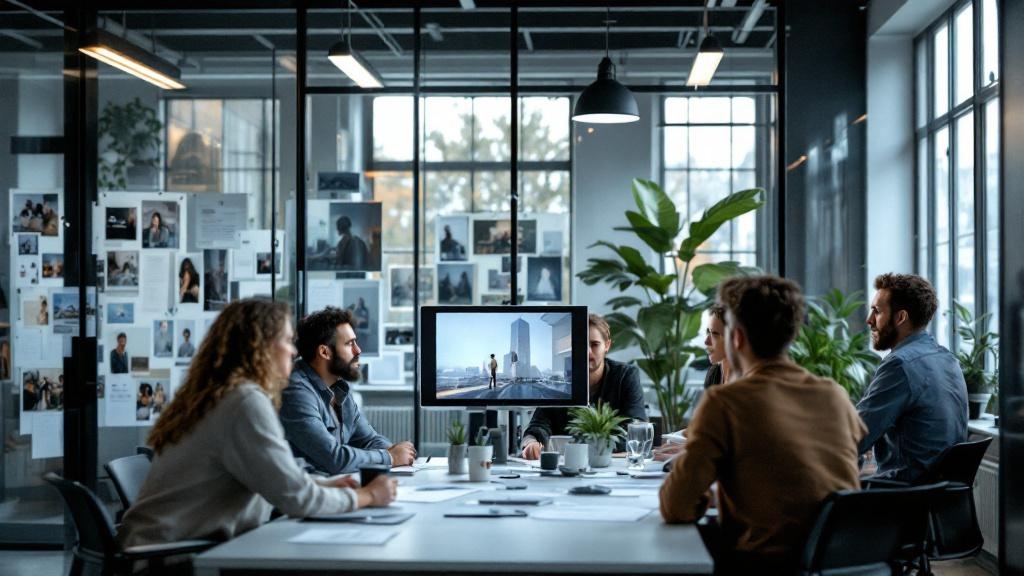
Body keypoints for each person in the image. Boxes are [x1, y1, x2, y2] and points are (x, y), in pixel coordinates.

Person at [119, 298, 397, 548]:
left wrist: (323, 485)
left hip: (165, 546)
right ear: (260, 348)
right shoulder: (243, 402)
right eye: (287, 341)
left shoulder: (222, 395)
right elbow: (296, 498)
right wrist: (369, 496)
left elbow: (273, 476)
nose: (293, 352)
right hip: (170, 558)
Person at [659, 275, 864, 573]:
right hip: (842, 563)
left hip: (765, 565)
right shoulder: (835, 395)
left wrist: (708, 491)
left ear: (737, 338)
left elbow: (676, 507)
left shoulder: (725, 402)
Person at [857, 273, 968, 482]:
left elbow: (856, 435)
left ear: (900, 318)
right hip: (939, 491)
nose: (869, 320)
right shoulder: (948, 359)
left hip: (904, 492)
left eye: (877, 311)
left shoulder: (900, 365)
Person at [280, 307, 416, 475]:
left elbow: (369, 440)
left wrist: (396, 452)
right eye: (349, 344)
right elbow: (334, 458)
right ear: (324, 352)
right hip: (309, 489)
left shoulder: (339, 386)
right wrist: (390, 457)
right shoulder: (296, 392)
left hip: (334, 485)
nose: (358, 350)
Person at [521, 314, 647, 458]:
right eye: (581, 344)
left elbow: (636, 429)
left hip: (611, 464)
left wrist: (587, 446)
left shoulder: (625, 375)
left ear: (607, 345)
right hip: (566, 466)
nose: (587, 352)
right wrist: (532, 443)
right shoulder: (559, 382)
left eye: (595, 344)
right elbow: (538, 426)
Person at [653, 305, 731, 461]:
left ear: (735, 338)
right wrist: (671, 439)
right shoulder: (714, 374)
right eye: (707, 332)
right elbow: (706, 429)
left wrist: (693, 447)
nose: (706, 341)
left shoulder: (747, 383)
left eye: (715, 334)